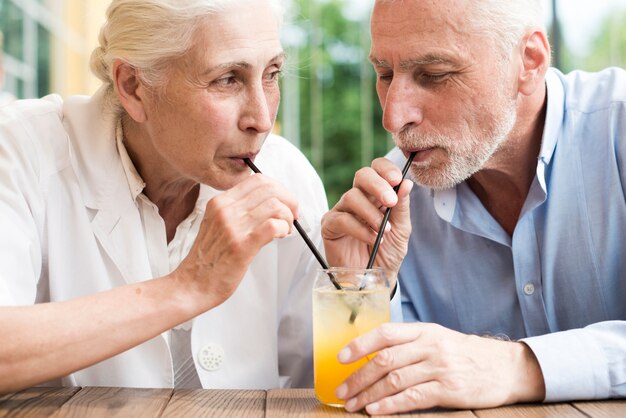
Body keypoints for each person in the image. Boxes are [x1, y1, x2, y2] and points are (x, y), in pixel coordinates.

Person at [0, 0, 329, 394]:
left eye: (272, 74)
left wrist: (359, 287)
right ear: (133, 87)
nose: (261, 118)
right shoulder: (20, 154)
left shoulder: (288, 174)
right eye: (227, 79)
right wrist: (187, 286)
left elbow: (322, 384)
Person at [322, 0, 626, 414]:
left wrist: (519, 367)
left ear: (529, 61)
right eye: (385, 74)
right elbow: (370, 389)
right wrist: (365, 290)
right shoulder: (391, 202)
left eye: (434, 75)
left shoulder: (618, 129)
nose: (392, 118)